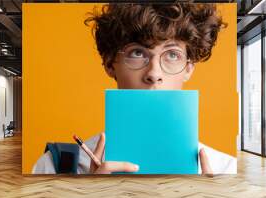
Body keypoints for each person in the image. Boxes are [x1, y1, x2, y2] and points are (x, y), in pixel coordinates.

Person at [33, 2, 236, 175]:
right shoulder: (53, 166)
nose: (154, 73)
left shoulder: (225, 170)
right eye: (137, 53)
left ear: (188, 69)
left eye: (172, 54)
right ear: (110, 64)